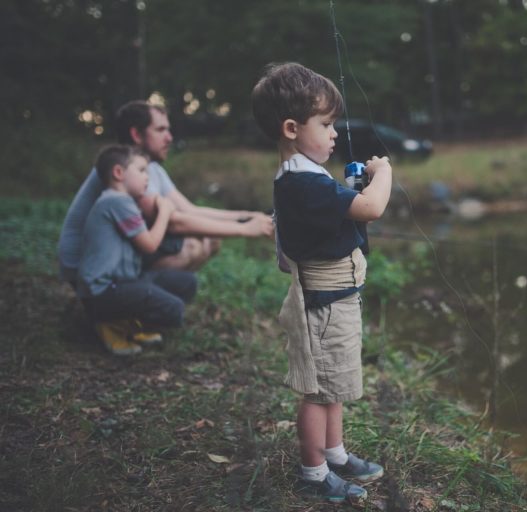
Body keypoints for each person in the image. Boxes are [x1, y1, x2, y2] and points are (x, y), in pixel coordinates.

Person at [251, 62, 393, 504]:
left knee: (333, 386)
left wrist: (353, 186)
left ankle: (334, 452)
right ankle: (313, 473)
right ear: (292, 128)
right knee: (318, 392)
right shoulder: (302, 182)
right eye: (327, 124)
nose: (334, 133)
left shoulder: (305, 176)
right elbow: (370, 209)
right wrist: (383, 173)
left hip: (337, 299)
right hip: (326, 305)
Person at [57, 100, 274, 285]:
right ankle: (129, 310)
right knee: (192, 245)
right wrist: (245, 230)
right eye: (160, 130)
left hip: (114, 256)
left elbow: (189, 209)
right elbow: (175, 222)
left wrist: (247, 215)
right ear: (136, 134)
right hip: (84, 267)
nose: (169, 138)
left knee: (210, 240)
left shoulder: (150, 168)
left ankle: (147, 304)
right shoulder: (125, 174)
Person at [78, 145, 197, 355]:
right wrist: (165, 211)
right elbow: (150, 244)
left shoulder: (122, 202)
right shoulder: (116, 202)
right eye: (142, 171)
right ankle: (111, 325)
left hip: (123, 283)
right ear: (118, 173)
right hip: (103, 292)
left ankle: (128, 323)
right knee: (174, 309)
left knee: (187, 282)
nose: (147, 178)